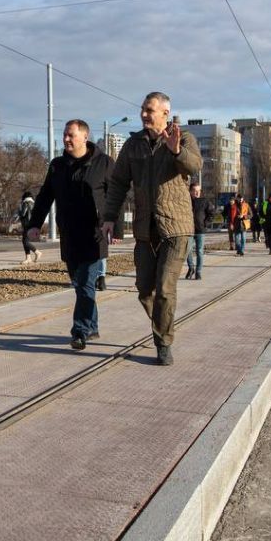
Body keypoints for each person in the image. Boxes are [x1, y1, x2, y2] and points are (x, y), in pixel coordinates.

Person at [102, 92, 200, 366]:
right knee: (145, 290)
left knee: (165, 289)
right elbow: (119, 183)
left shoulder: (184, 139)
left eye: (150, 110)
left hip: (176, 226)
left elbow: (195, 165)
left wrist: (176, 150)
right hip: (146, 229)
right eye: (143, 110)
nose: (144, 114)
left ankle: (163, 342)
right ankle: (163, 321)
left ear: (165, 114)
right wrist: (110, 217)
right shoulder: (133, 145)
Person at [26, 119, 116, 350]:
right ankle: (92, 325)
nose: (66, 139)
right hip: (69, 234)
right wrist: (34, 224)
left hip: (94, 235)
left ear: (84, 137)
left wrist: (116, 226)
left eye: (71, 135)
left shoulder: (104, 163)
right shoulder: (57, 165)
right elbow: (46, 196)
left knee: (86, 283)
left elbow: (118, 195)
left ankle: (80, 331)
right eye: (65, 135)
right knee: (79, 284)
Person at [185, 183, 218, 280]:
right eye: (195, 190)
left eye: (199, 190)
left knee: (199, 251)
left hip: (200, 229)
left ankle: (198, 272)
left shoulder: (205, 201)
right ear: (190, 191)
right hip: (188, 229)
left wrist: (206, 223)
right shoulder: (186, 201)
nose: (197, 192)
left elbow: (212, 213)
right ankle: (191, 268)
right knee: (187, 250)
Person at [18, 192, 41, 263]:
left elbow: (23, 213)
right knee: (25, 241)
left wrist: (19, 211)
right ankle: (28, 258)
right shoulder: (34, 203)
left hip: (27, 224)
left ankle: (37, 252)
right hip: (32, 224)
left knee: (25, 242)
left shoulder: (26, 203)